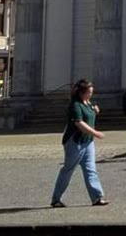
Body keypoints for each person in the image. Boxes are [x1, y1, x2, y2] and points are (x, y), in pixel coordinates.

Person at [51, 79, 109, 208]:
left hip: (87, 142)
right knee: (68, 169)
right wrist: (96, 133)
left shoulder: (88, 103)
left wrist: (95, 112)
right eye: (89, 92)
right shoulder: (75, 105)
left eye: (91, 92)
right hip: (75, 142)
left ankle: (97, 197)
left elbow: (88, 116)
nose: (91, 94)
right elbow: (79, 123)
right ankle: (56, 198)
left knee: (90, 169)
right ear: (81, 92)